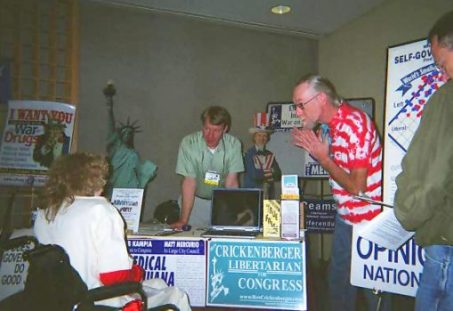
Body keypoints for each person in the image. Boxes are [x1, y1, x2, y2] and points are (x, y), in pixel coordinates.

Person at [34, 152, 191, 311]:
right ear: (93, 181)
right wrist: (137, 271)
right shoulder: (100, 210)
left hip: (59, 299)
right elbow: (115, 277)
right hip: (96, 300)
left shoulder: (46, 211)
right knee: (177, 296)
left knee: (158, 284)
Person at [291, 75, 389, 311]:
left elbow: (357, 187)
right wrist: (321, 154)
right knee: (339, 284)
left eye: (300, 104)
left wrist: (323, 159)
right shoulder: (330, 126)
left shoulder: (354, 124)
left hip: (369, 222)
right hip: (347, 217)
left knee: (373, 290)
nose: (297, 112)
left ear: (321, 98)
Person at [394, 11, 453, 311]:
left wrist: (406, 214)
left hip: (446, 240)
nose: (442, 75)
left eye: (442, 63)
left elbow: (431, 174)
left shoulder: (446, 99)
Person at [172, 106, 244, 229]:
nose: (210, 135)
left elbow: (231, 183)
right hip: (195, 203)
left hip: (222, 203)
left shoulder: (234, 145)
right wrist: (183, 220)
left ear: (225, 129)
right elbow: (189, 182)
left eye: (216, 130)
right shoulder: (188, 143)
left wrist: (233, 215)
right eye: (207, 129)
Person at [104, 81, 157, 197]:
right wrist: (109, 108)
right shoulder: (117, 148)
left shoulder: (134, 153)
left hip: (130, 190)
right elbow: (111, 127)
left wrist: (148, 171)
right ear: (120, 135)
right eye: (125, 132)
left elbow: (139, 171)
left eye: (130, 133)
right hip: (116, 188)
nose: (127, 135)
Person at [243, 125, 281, 199]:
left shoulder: (270, 154)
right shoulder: (248, 154)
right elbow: (254, 175)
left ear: (267, 139)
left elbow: (278, 175)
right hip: (252, 193)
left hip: (269, 193)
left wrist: (263, 173)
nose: (262, 138)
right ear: (254, 137)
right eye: (259, 135)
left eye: (264, 136)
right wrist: (270, 172)